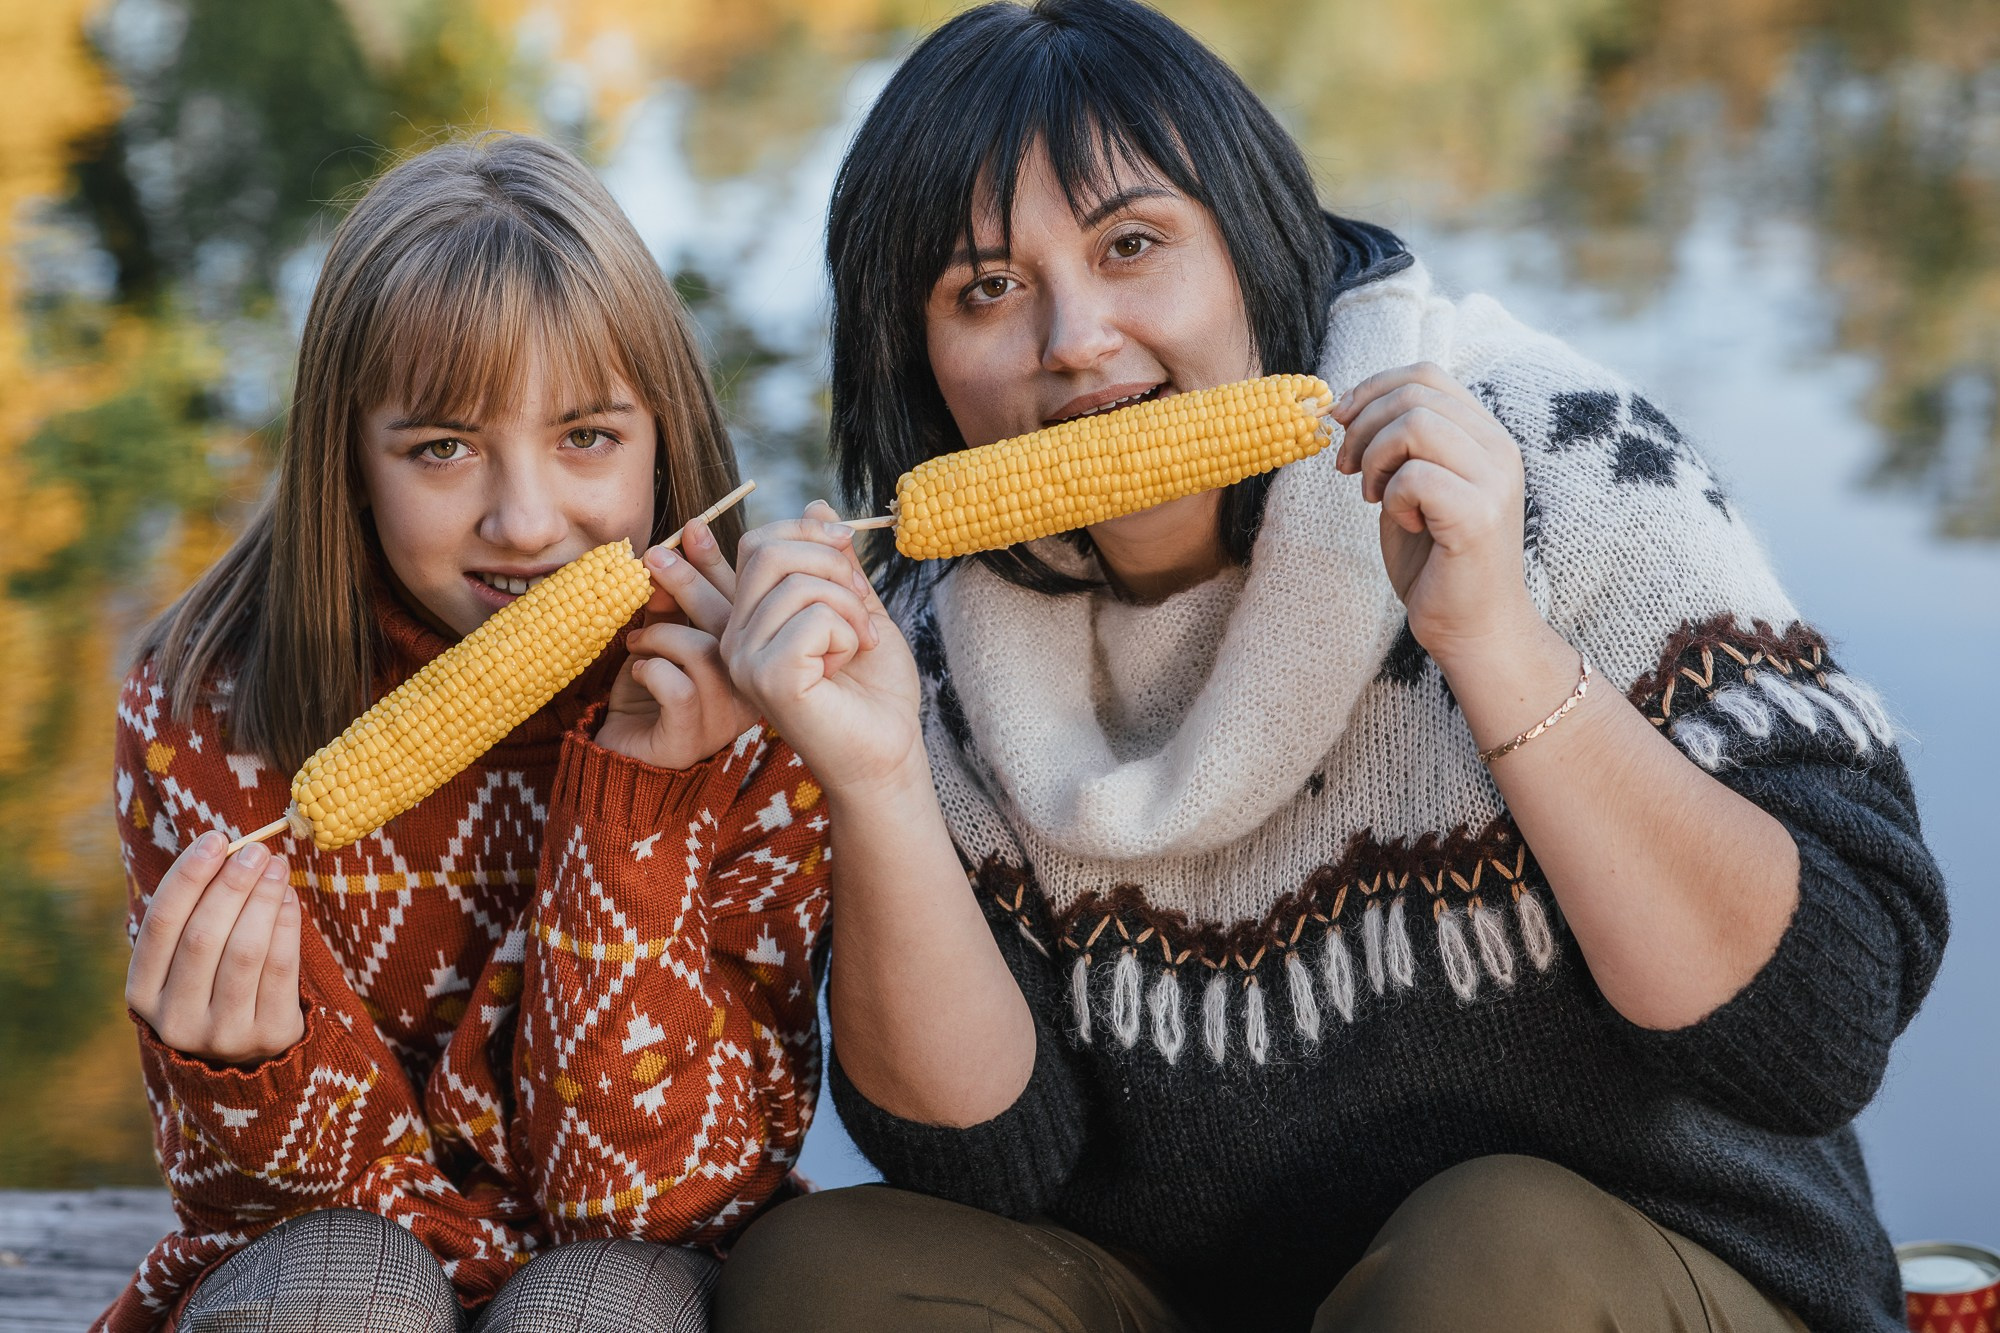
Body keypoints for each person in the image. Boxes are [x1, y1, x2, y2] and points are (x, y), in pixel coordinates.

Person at [705, 2, 1949, 1330]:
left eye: (1133, 243)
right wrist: (879, 778)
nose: (1072, 337)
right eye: (987, 288)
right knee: (818, 1276)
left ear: (1249, 245)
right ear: (923, 358)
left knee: (1489, 1256)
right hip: (1205, 1299)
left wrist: (1497, 646)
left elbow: (1824, 1021)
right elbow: (984, 1161)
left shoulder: (1549, 450)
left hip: (1637, 1279)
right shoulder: (920, 642)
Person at [99, 133, 842, 1333]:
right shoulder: (206, 715)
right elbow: (251, 1203)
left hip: (641, 1254)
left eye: (586, 436)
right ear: (346, 456)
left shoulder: (755, 710)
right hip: (315, 1245)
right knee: (356, 1298)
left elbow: (658, 1202)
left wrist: (636, 810)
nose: (526, 517)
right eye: (441, 447)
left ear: (665, 436)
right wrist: (245, 1075)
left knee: (588, 1311)